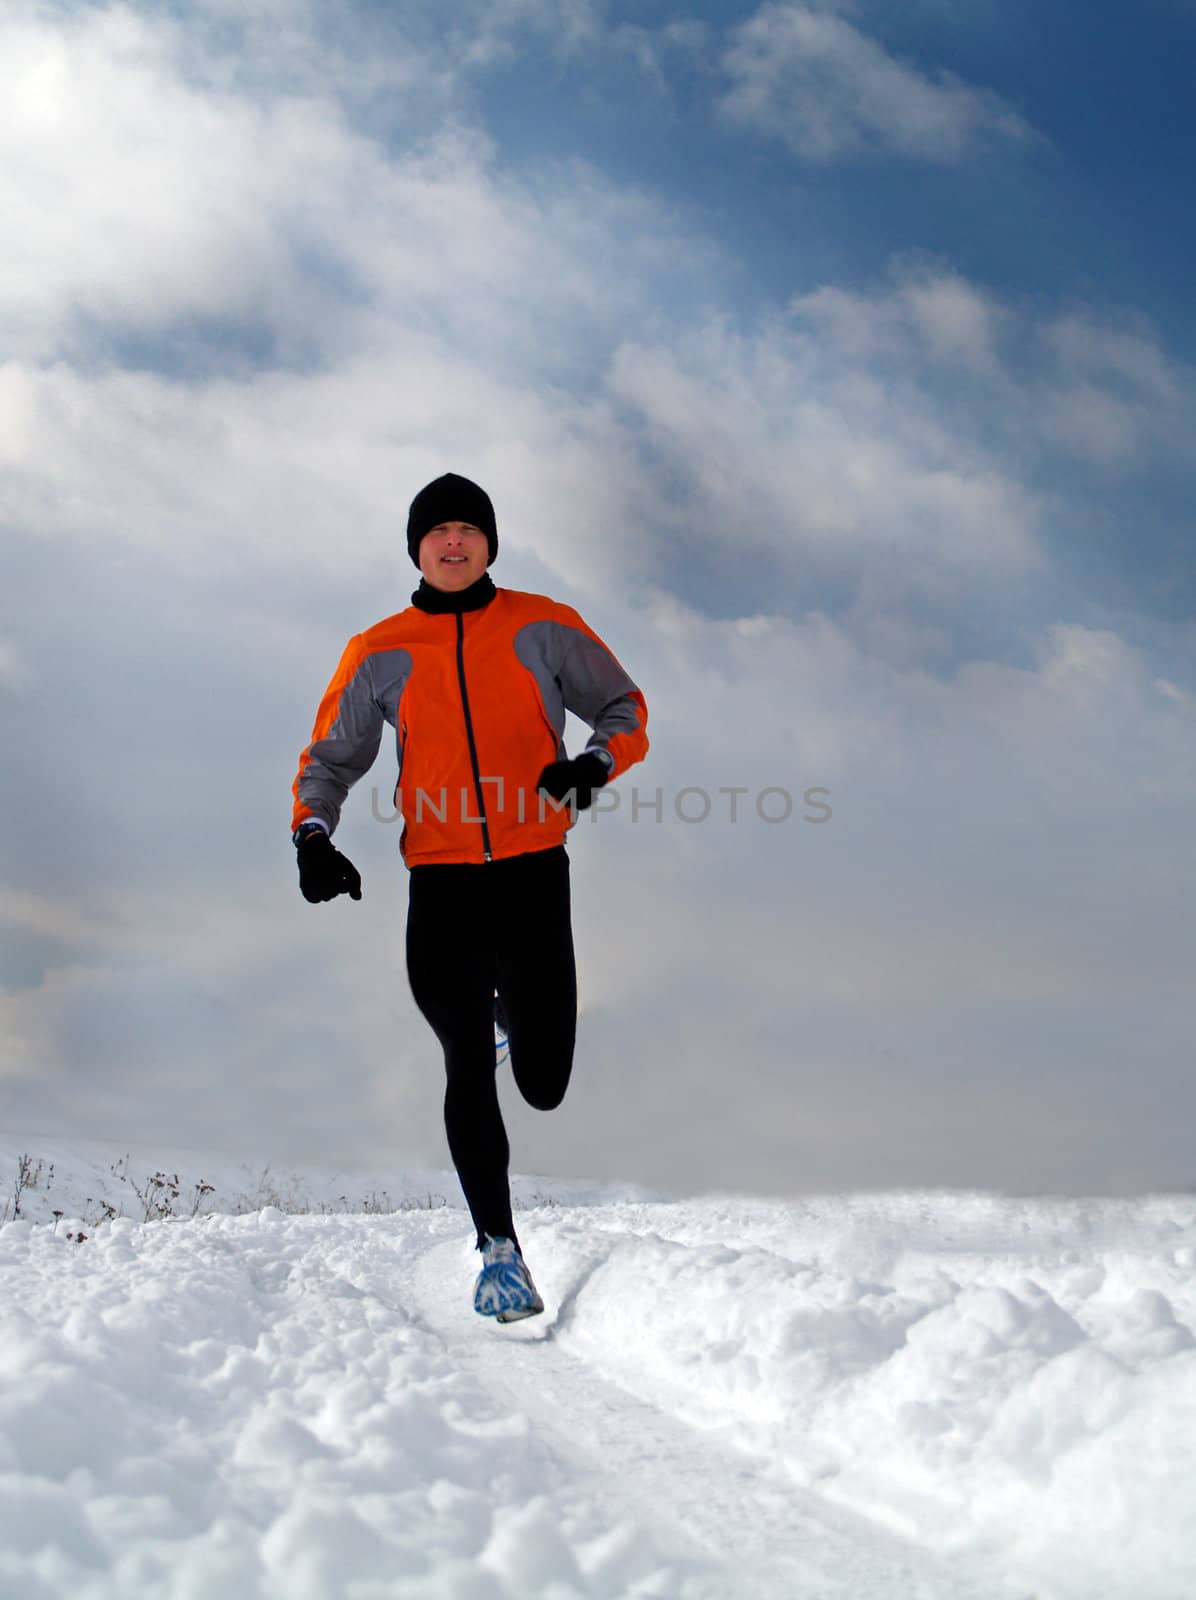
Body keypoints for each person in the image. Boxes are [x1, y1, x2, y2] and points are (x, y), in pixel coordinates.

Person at [291, 473, 649, 1321]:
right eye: (437, 531)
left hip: (531, 871)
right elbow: (331, 759)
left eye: (468, 529)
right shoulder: (378, 648)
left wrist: (594, 762)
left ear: (490, 543)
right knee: (461, 1063)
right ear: (415, 547)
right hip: (441, 882)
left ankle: (508, 1022)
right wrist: (312, 835)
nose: (453, 543)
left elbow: (624, 706)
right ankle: (498, 1251)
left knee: (545, 1082)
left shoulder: (543, 625)